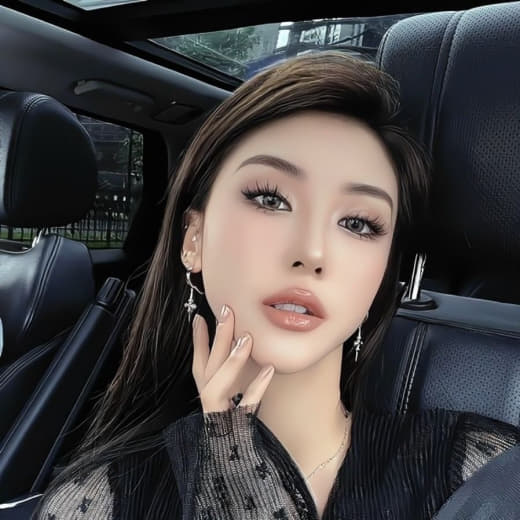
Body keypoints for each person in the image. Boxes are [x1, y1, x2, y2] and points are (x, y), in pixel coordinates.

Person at [33, 51, 520, 520]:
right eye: (270, 199)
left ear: (385, 275)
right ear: (193, 239)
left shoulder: (481, 472)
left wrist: (234, 464)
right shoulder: (100, 499)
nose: (312, 252)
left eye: (357, 223)